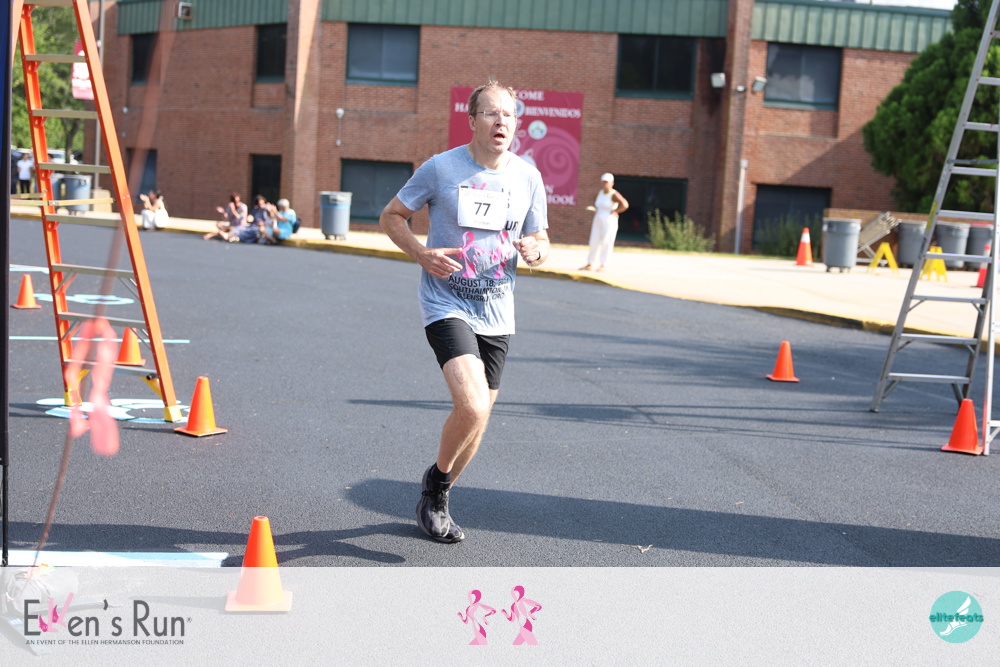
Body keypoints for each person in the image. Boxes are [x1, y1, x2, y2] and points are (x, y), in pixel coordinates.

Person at [379, 79, 549, 544]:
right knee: (471, 405)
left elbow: (541, 239)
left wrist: (536, 251)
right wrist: (421, 254)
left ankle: (439, 494)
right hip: (447, 301)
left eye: (508, 115)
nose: (501, 122)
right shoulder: (441, 168)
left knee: (480, 417)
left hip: (498, 310)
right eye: (491, 113)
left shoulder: (528, 177)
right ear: (472, 120)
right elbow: (392, 216)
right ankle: (435, 486)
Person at [580, 173, 629, 272]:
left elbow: (625, 204)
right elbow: (597, 204)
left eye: (607, 182)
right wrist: (595, 209)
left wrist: (615, 211)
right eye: (603, 182)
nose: (605, 184)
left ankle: (603, 264)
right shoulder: (600, 193)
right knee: (594, 240)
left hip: (609, 219)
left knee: (607, 241)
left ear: (612, 183)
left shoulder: (614, 194)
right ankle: (590, 263)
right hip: (598, 217)